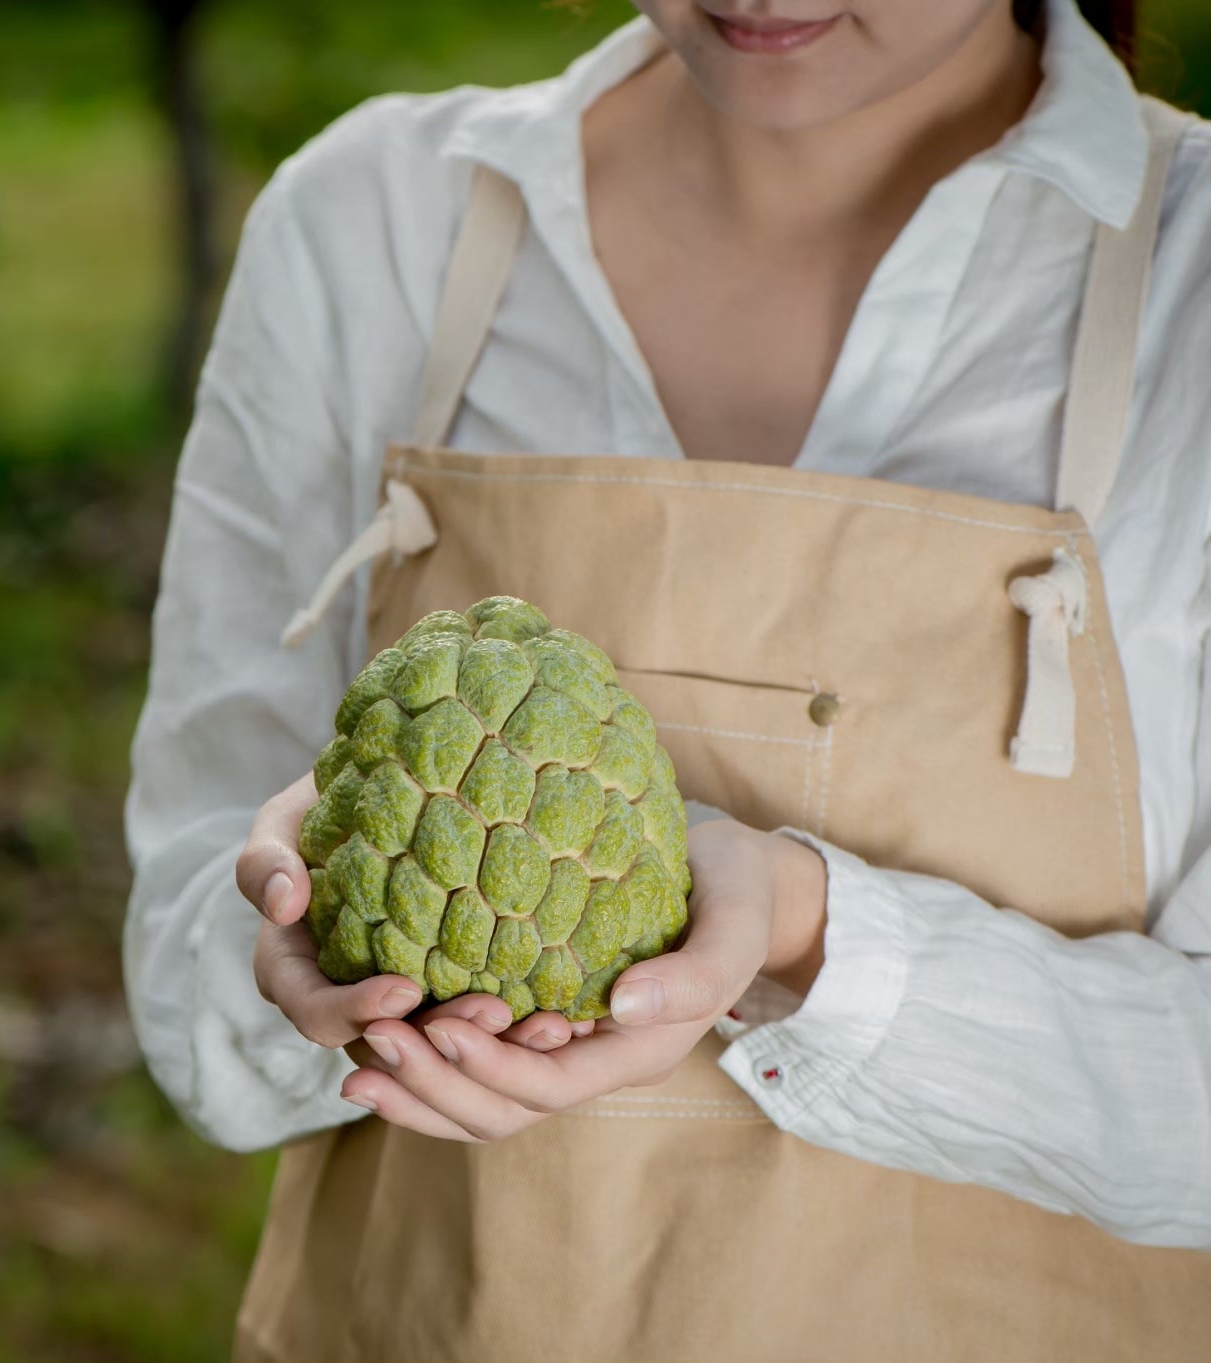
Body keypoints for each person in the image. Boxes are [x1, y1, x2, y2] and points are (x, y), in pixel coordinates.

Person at [124, 0, 1211, 1357]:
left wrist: (820, 941)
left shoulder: (1194, 289)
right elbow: (192, 1007)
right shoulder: (374, 229)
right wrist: (336, 931)